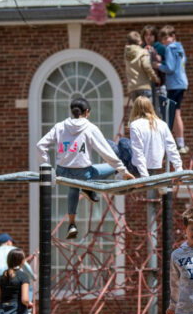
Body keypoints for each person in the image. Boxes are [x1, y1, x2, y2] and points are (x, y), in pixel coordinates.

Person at [37, 97, 135, 239]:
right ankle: (88, 188)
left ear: (72, 111)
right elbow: (106, 153)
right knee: (97, 171)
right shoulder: (90, 128)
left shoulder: (60, 127)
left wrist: (46, 166)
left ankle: (72, 223)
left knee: (73, 184)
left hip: (62, 172)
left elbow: (40, 145)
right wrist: (124, 172)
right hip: (84, 174)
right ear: (87, 112)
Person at [0, 233, 38, 314]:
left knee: (4, 298)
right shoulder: (14, 250)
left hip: (0, 277)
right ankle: (28, 312)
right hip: (15, 274)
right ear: (8, 242)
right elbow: (25, 266)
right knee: (28, 286)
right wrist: (33, 276)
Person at [128, 96, 183, 177]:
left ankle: (119, 175)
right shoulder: (162, 124)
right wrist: (179, 169)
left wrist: (144, 175)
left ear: (135, 109)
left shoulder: (135, 125)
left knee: (123, 143)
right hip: (157, 165)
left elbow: (138, 152)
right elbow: (171, 148)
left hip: (138, 168)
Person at [156, 25, 189, 154]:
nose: (164, 42)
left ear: (173, 36)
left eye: (166, 38)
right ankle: (180, 142)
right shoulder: (180, 48)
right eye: (163, 39)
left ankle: (177, 143)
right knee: (177, 113)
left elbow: (169, 68)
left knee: (174, 114)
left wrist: (158, 65)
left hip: (174, 84)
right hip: (182, 82)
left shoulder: (170, 48)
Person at [125, 31, 160, 104]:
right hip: (144, 86)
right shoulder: (142, 52)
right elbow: (147, 66)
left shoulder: (126, 54)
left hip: (133, 87)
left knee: (138, 111)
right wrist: (155, 78)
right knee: (147, 112)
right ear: (140, 42)